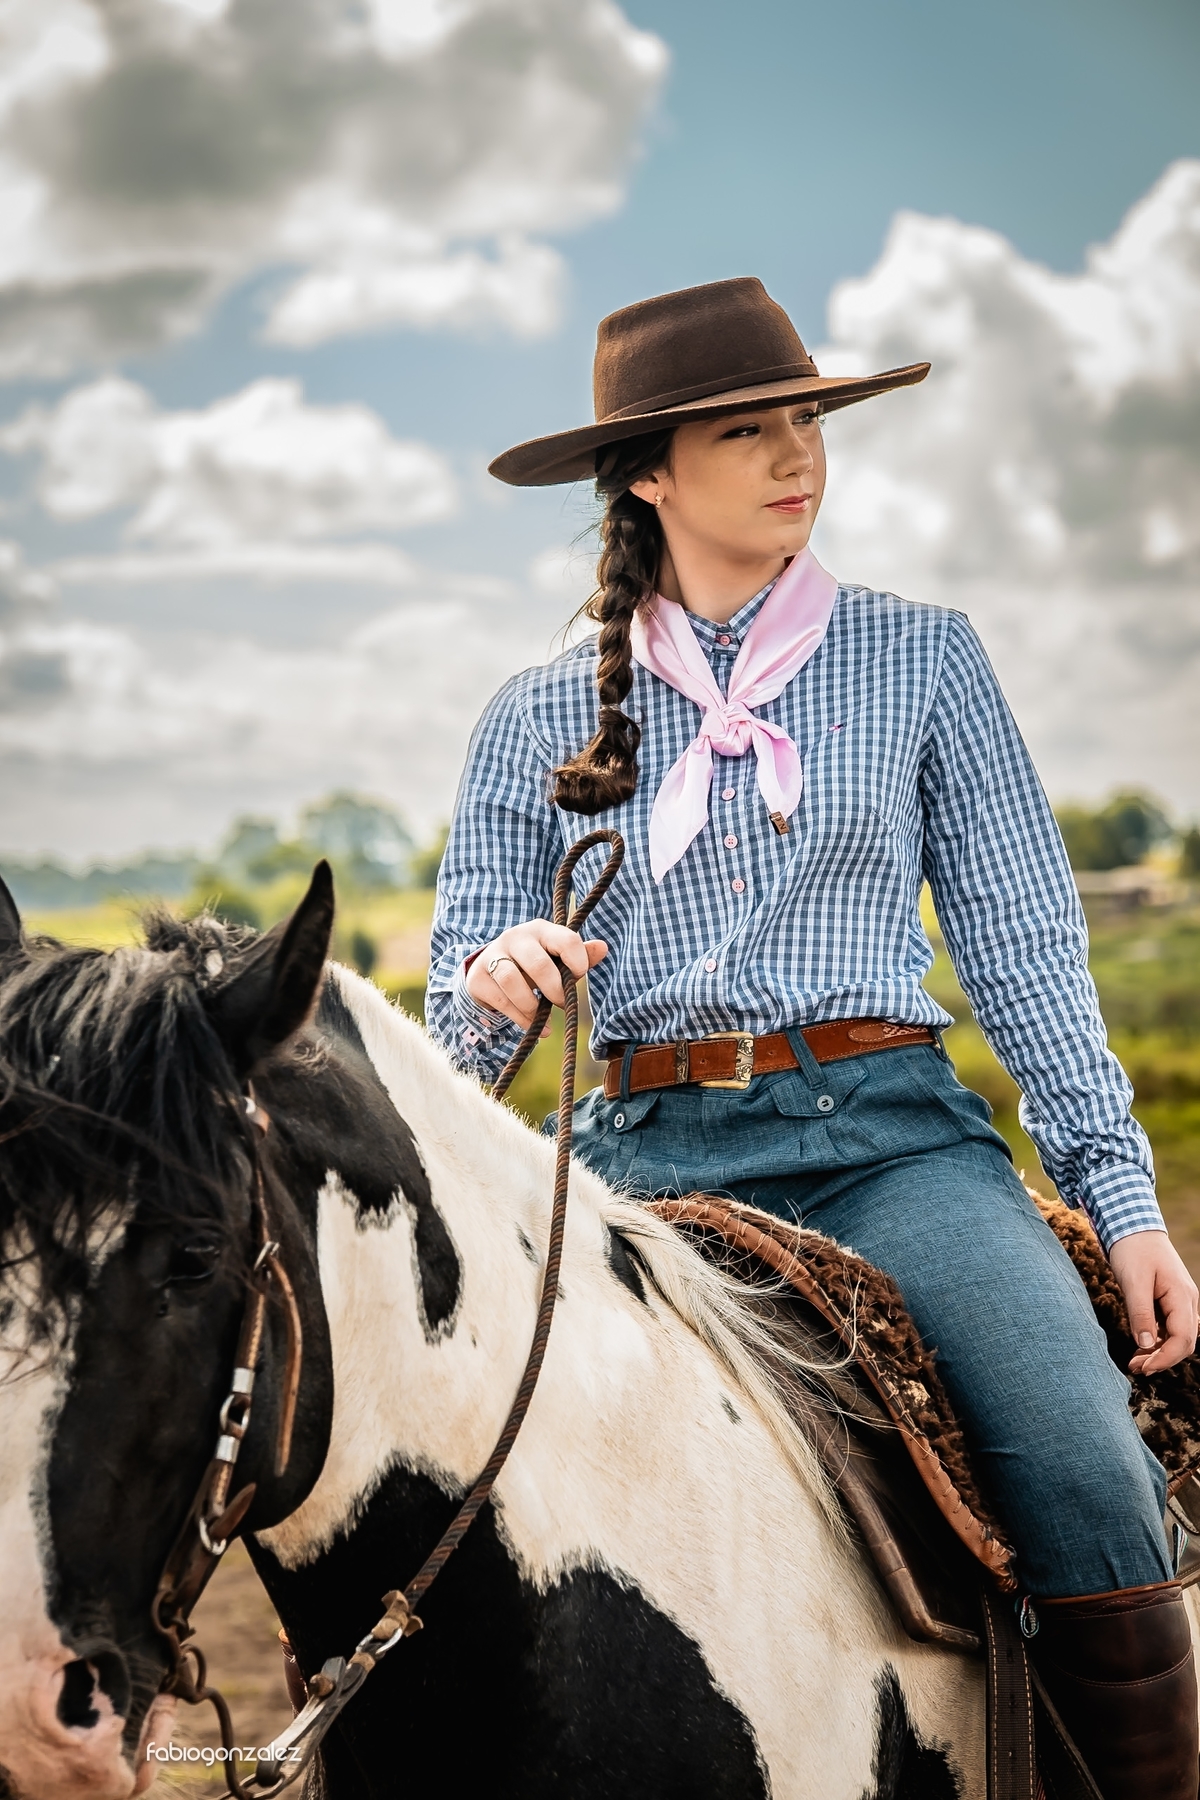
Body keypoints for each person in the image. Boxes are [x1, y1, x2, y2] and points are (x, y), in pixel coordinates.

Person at [426, 277, 1199, 1800]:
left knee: (1084, 1463)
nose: (798, 456)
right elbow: (454, 1052)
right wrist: (494, 985)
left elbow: (1027, 956)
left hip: (891, 1151)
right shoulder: (529, 718)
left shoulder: (926, 659)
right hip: (631, 1171)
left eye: (807, 422)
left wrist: (1121, 1205)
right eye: (747, 432)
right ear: (648, 475)